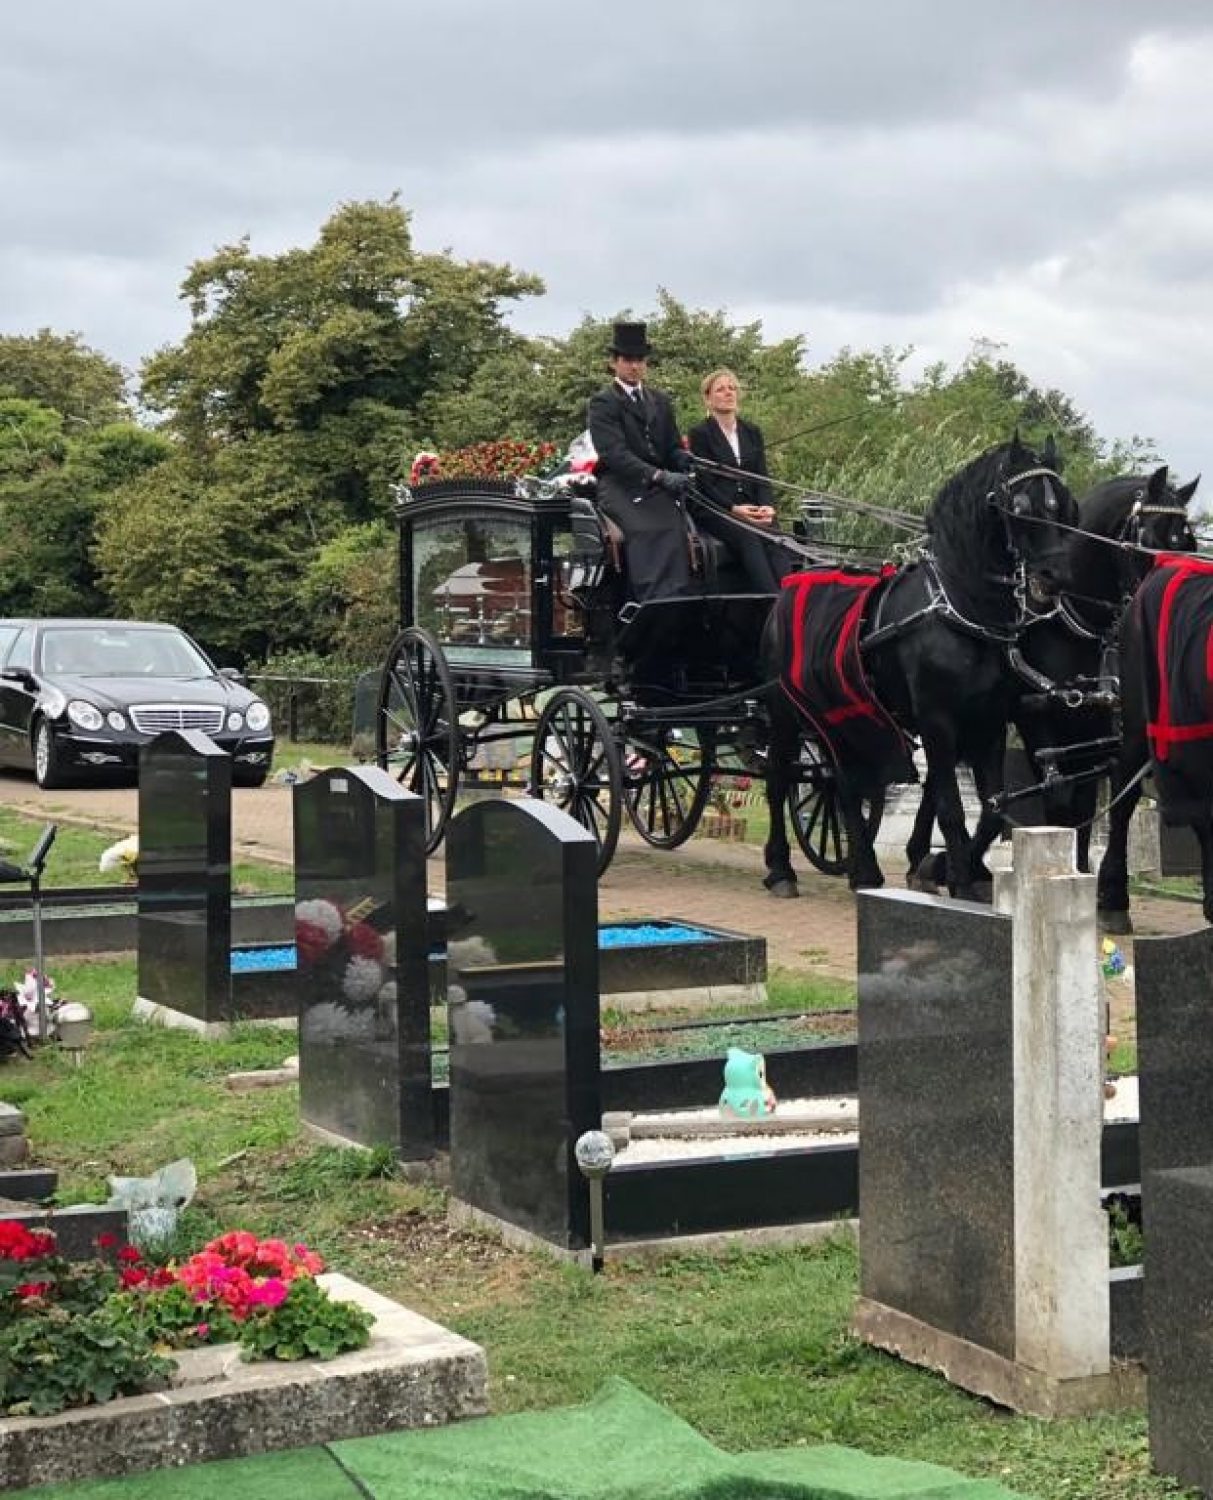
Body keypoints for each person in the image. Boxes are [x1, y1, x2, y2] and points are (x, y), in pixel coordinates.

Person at [587, 321, 695, 602]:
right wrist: (658, 476)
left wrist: (683, 460)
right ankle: (647, 598)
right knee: (646, 529)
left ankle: (676, 598)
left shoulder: (660, 400)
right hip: (621, 485)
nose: (634, 366)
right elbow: (615, 454)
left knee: (674, 525)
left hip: (656, 487)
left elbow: (670, 446)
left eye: (640, 360)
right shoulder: (603, 403)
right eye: (627, 360)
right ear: (614, 363)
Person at [688, 369, 788, 593]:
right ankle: (771, 601)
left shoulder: (752, 432)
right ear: (708, 398)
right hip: (718, 509)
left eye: (732, 388)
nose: (728, 393)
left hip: (753, 507)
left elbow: (761, 477)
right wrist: (734, 509)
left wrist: (767, 507)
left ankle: (790, 599)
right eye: (721, 389)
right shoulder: (700, 434)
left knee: (776, 538)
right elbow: (705, 483)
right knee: (749, 538)